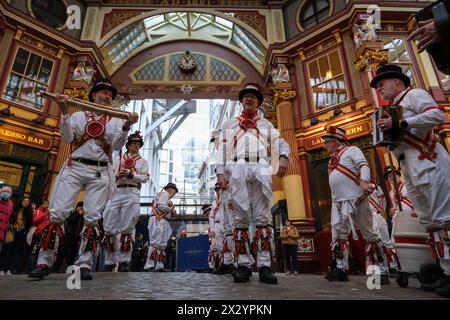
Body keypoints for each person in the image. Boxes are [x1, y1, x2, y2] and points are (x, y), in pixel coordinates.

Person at [29, 79, 139, 281]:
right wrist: (63, 110)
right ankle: (44, 262)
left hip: (100, 170)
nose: (106, 96)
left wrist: (126, 126)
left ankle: (84, 264)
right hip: (75, 166)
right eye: (103, 92)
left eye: (109, 94)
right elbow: (68, 138)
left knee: (92, 217)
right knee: (58, 212)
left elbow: (116, 145)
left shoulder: (115, 120)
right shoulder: (79, 115)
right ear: (93, 95)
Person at [373, 63, 450, 297]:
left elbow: (437, 114)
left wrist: (402, 123)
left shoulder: (414, 94)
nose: (379, 89)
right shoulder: (391, 108)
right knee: (429, 221)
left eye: (382, 84)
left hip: (429, 161)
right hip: (410, 166)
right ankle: (442, 269)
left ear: (398, 82)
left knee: (444, 218)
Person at [216, 83, 290, 284]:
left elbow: (280, 142)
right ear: (241, 101)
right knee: (240, 218)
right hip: (238, 167)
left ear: (258, 102)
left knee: (262, 218)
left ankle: (265, 266)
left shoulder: (266, 124)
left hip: (260, 166)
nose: (249, 99)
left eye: (254, 97)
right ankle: (243, 265)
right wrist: (220, 173)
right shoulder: (229, 124)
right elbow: (221, 150)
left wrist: (284, 157)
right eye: (246, 96)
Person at [322, 126, 390, 284]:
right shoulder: (332, 160)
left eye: (326, 142)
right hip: (338, 202)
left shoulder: (352, 150)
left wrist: (365, 182)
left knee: (370, 233)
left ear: (335, 142)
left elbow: (363, 165)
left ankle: (381, 271)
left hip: (357, 198)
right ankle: (340, 268)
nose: (324, 146)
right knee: (339, 233)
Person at [102, 130, 149, 272]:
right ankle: (110, 261)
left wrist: (131, 175)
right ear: (128, 145)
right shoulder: (118, 159)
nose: (136, 146)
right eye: (134, 143)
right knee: (109, 226)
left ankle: (124, 260)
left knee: (127, 227)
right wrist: (117, 176)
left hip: (132, 191)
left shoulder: (143, 162)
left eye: (138, 144)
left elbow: (145, 178)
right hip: (116, 191)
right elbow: (110, 175)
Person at [143, 183, 178, 272]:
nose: (175, 194)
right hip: (158, 219)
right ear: (171, 189)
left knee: (161, 245)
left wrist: (171, 213)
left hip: (162, 220)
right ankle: (149, 265)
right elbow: (161, 206)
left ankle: (159, 265)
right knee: (155, 242)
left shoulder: (165, 197)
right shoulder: (165, 194)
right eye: (175, 191)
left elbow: (165, 211)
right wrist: (171, 210)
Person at [368, 185, 399, 274]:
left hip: (378, 215)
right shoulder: (355, 187)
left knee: (387, 240)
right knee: (376, 241)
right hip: (369, 216)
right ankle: (382, 270)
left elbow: (382, 198)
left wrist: (382, 210)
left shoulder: (375, 186)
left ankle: (394, 266)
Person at [0, 186, 13, 256]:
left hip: (2, 234)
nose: (5, 193)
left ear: (10, 194)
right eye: (4, 191)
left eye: (8, 192)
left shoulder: (11, 204)